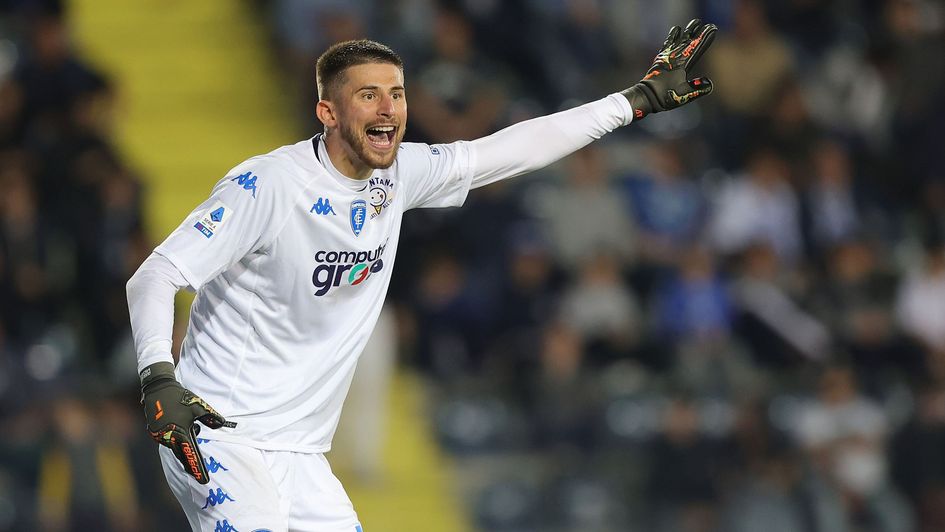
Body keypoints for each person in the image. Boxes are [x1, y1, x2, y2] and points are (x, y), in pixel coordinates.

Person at [125, 19, 717, 532]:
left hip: (302, 451)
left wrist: (634, 101)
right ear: (327, 111)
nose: (388, 109)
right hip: (216, 431)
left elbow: (511, 149)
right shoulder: (271, 186)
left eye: (398, 94)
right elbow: (155, 275)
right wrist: (157, 378)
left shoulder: (401, 175)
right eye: (368, 96)